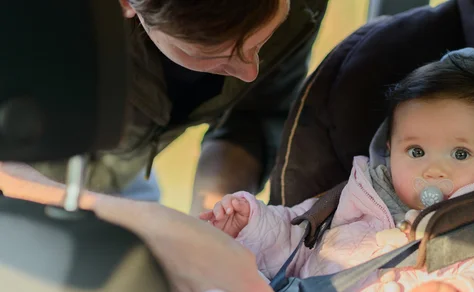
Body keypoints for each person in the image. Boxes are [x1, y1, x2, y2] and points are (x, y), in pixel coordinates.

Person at [187, 48, 474, 292]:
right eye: (416, 151)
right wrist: (251, 224)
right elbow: (295, 238)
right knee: (235, 275)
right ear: (389, 150)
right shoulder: (355, 195)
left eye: (460, 153)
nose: (434, 169)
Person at [25, 0, 328, 212]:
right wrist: (151, 226)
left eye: (262, 42)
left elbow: (253, 116)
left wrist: (211, 218)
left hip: (124, 180)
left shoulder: (303, 6)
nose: (250, 72)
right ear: (127, 4)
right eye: (215, 53)